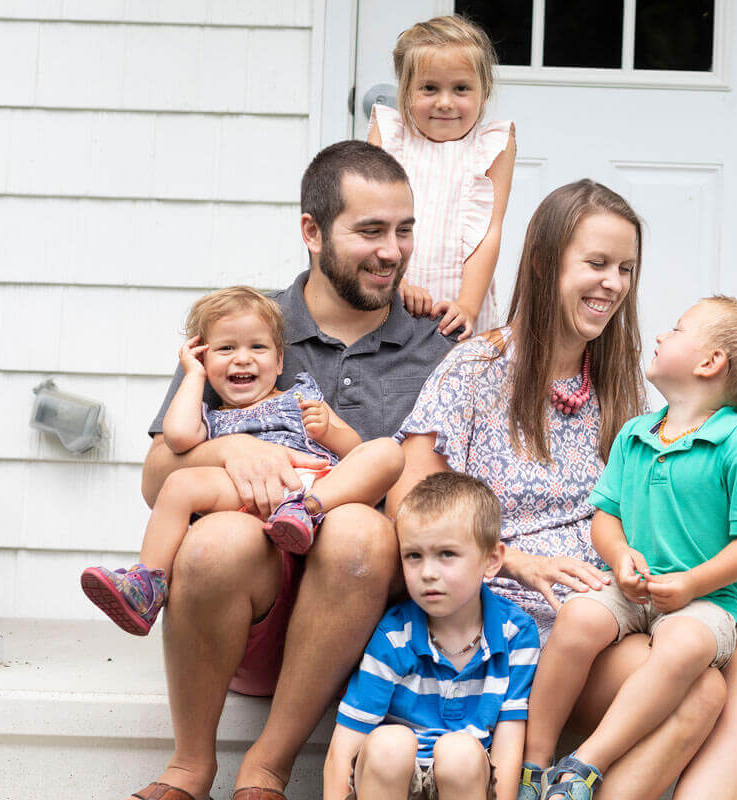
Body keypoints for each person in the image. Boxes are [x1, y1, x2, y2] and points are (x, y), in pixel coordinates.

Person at [388, 180, 737, 800]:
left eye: (625, 268)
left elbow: (657, 511)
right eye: (597, 263)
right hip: (531, 619)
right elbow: (411, 501)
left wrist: (704, 599)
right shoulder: (474, 370)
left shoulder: (621, 386)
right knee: (701, 692)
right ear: (547, 262)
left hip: (623, 600)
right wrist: (515, 560)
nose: (614, 283)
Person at [129, 140, 454, 800]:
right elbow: (156, 479)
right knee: (218, 538)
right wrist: (229, 450)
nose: (392, 250)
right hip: (243, 611)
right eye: (369, 230)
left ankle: (267, 768)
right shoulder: (245, 328)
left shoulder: (437, 346)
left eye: (404, 230)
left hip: (360, 619)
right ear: (312, 231)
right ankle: (190, 767)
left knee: (360, 531)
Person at [521, 297, 737, 799]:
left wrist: (692, 583)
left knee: (684, 645)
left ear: (710, 363)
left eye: (677, 329)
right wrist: (619, 557)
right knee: (577, 618)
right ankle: (532, 766)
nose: (662, 336)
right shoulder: (636, 433)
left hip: (705, 601)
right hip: (632, 588)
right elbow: (608, 517)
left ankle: (584, 764)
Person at [82, 287, 403, 636]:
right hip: (244, 494)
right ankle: (147, 586)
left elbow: (353, 448)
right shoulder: (211, 418)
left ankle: (305, 510)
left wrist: (327, 430)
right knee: (178, 483)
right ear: (205, 359)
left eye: (257, 347)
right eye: (225, 348)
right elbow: (176, 436)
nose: (242, 358)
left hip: (312, 487)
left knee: (386, 451)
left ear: (280, 361)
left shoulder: (301, 396)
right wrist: (193, 375)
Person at [323, 472, 540, 800]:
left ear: (491, 560)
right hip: (392, 781)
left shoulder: (516, 635)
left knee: (460, 753)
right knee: (390, 744)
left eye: (447, 555)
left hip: (466, 781)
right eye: (414, 556)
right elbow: (344, 748)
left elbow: (509, 749)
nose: (427, 572)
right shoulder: (396, 635)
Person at [369, 15, 515, 339]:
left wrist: (468, 304)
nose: (445, 102)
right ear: (407, 91)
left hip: (459, 301)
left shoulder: (492, 145)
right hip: (391, 293)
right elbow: (370, 218)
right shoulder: (391, 135)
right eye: (429, 88)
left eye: (461, 88)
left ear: (484, 90)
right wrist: (397, 282)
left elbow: (489, 232)